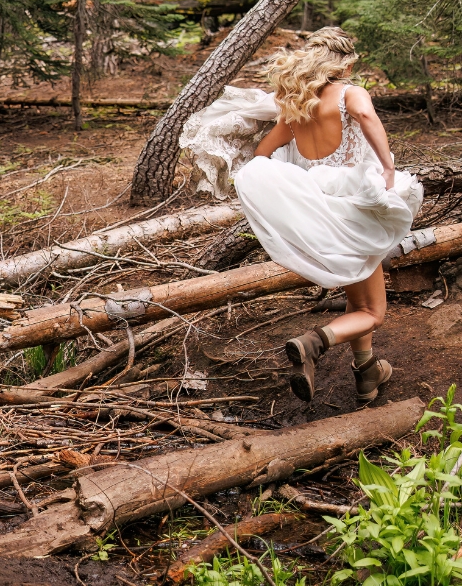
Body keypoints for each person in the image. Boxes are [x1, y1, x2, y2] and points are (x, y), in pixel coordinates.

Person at [181, 27, 423, 404]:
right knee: (373, 311)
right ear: (347, 62)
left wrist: (293, 185)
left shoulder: (295, 108)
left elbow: (262, 153)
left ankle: (367, 374)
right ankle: (313, 343)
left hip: (319, 208)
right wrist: (388, 169)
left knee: (357, 299)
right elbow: (364, 114)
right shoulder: (350, 93)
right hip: (355, 209)